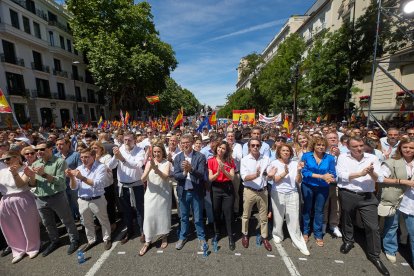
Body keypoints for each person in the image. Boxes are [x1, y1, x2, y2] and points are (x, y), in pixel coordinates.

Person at [336, 136, 390, 275]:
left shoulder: (372, 158)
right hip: (348, 193)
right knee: (347, 219)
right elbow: (341, 175)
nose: (359, 148)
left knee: (372, 226)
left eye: (360, 145)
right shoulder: (343, 157)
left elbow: (380, 178)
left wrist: (372, 173)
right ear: (348, 147)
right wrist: (360, 174)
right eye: (355, 146)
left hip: (367, 196)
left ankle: (374, 255)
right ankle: (348, 240)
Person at [30, 141, 79, 257]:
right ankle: (55, 241)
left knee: (66, 220)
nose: (38, 152)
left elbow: (61, 181)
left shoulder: (59, 162)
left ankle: (74, 240)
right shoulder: (35, 164)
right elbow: (32, 184)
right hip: (40, 198)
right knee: (48, 223)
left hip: (57, 196)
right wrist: (31, 177)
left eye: (42, 149)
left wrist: (44, 174)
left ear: (50, 149)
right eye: (36, 150)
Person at [66, 148, 112, 252]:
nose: (83, 159)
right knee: (87, 222)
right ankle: (91, 240)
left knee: (103, 220)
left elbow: (98, 184)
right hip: (83, 199)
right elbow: (74, 187)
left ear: (93, 156)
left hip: (97, 199)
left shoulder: (101, 167)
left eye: (86, 157)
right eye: (82, 157)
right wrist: (72, 178)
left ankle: (107, 238)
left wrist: (81, 177)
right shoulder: (79, 168)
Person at [268, 144, 310, 255]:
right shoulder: (274, 163)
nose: (286, 152)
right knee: (278, 215)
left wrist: (299, 171)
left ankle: (296, 239)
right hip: (278, 193)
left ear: (291, 153)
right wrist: (284, 173)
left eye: (288, 151)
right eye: (283, 150)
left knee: (294, 217)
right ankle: (277, 234)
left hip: (292, 193)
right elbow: (275, 180)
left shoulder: (295, 163)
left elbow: (298, 180)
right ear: (279, 152)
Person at [379, 137, 414, 265]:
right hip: (395, 198)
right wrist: (402, 181)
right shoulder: (393, 162)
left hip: (412, 202)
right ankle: (390, 249)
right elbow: (380, 178)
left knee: (413, 231)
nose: (408, 150)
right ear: (400, 148)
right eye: (405, 147)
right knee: (392, 225)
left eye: (411, 147)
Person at [0, 151, 40, 264]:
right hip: (5, 200)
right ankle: (18, 250)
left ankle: (32, 247)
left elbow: (21, 184)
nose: (5, 162)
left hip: (22, 198)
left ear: (17, 158)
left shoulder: (26, 168)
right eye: (3, 160)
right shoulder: (2, 171)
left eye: (8, 159)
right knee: (11, 227)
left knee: (28, 225)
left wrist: (14, 173)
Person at [107, 131, 145, 244]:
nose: (127, 142)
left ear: (134, 140)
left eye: (129, 140)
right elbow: (110, 165)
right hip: (123, 185)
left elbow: (137, 165)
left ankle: (143, 231)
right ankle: (130, 231)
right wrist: (116, 157)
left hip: (136, 184)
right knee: (126, 210)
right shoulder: (121, 149)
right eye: (125, 140)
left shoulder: (140, 151)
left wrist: (122, 159)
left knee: (139, 209)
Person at [173, 134, 207, 250]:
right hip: (183, 191)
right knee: (184, 217)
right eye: (182, 143)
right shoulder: (177, 157)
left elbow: (202, 174)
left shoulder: (200, 156)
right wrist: (184, 173)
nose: (185, 145)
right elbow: (175, 175)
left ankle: (201, 237)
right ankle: (183, 237)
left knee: (198, 217)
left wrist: (191, 169)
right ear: (180, 144)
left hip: (196, 191)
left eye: (187, 142)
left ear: (192, 143)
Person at [301, 136, 336, 247]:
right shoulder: (306, 156)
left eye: (323, 145)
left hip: (323, 187)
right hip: (308, 185)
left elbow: (333, 173)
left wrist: (330, 178)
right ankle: (305, 232)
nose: (321, 147)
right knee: (307, 208)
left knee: (319, 211)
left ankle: (318, 234)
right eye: (318, 145)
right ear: (314, 146)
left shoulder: (330, 158)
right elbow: (304, 172)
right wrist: (322, 176)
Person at [139, 141, 172, 256]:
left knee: (163, 216)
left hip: (163, 194)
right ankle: (148, 241)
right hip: (150, 195)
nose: (157, 154)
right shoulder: (149, 163)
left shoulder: (167, 163)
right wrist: (149, 168)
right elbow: (142, 179)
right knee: (149, 217)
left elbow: (165, 177)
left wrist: (156, 169)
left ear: (163, 152)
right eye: (155, 152)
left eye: (159, 152)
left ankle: (164, 236)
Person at [240, 138, 273, 251]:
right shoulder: (244, 160)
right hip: (249, 190)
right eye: (253, 145)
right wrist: (256, 175)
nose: (255, 147)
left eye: (257, 145)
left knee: (263, 217)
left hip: (263, 191)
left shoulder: (266, 159)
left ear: (260, 146)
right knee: (246, 215)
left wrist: (270, 174)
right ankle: (245, 234)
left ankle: (264, 237)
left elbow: (269, 174)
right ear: (249, 147)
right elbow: (244, 177)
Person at [208, 141, 236, 250]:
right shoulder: (211, 161)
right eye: (219, 147)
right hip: (216, 188)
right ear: (216, 148)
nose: (220, 150)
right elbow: (210, 178)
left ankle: (230, 237)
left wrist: (224, 170)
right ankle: (217, 233)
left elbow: (232, 177)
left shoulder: (230, 161)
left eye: (223, 148)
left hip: (227, 188)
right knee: (216, 212)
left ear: (226, 151)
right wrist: (218, 172)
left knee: (228, 213)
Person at [91, 141, 117, 232]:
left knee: (109, 205)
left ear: (101, 149)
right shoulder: (91, 158)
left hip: (107, 185)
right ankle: (99, 223)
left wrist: (97, 160)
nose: (94, 150)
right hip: (96, 186)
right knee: (98, 206)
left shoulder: (107, 157)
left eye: (96, 148)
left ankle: (112, 222)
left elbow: (106, 169)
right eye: (92, 148)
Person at [55, 137, 81, 221]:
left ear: (68, 144)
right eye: (57, 144)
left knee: (76, 204)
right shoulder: (55, 156)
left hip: (73, 184)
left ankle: (82, 221)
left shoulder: (76, 155)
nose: (59, 146)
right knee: (66, 205)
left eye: (61, 144)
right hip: (61, 185)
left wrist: (71, 173)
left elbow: (80, 169)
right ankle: (72, 220)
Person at [323, 132, 342, 238]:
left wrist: (339, 155)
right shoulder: (322, 151)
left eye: (335, 138)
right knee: (324, 205)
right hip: (325, 182)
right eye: (330, 138)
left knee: (336, 206)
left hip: (338, 183)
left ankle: (334, 225)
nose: (333, 140)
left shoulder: (344, 151)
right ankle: (323, 223)